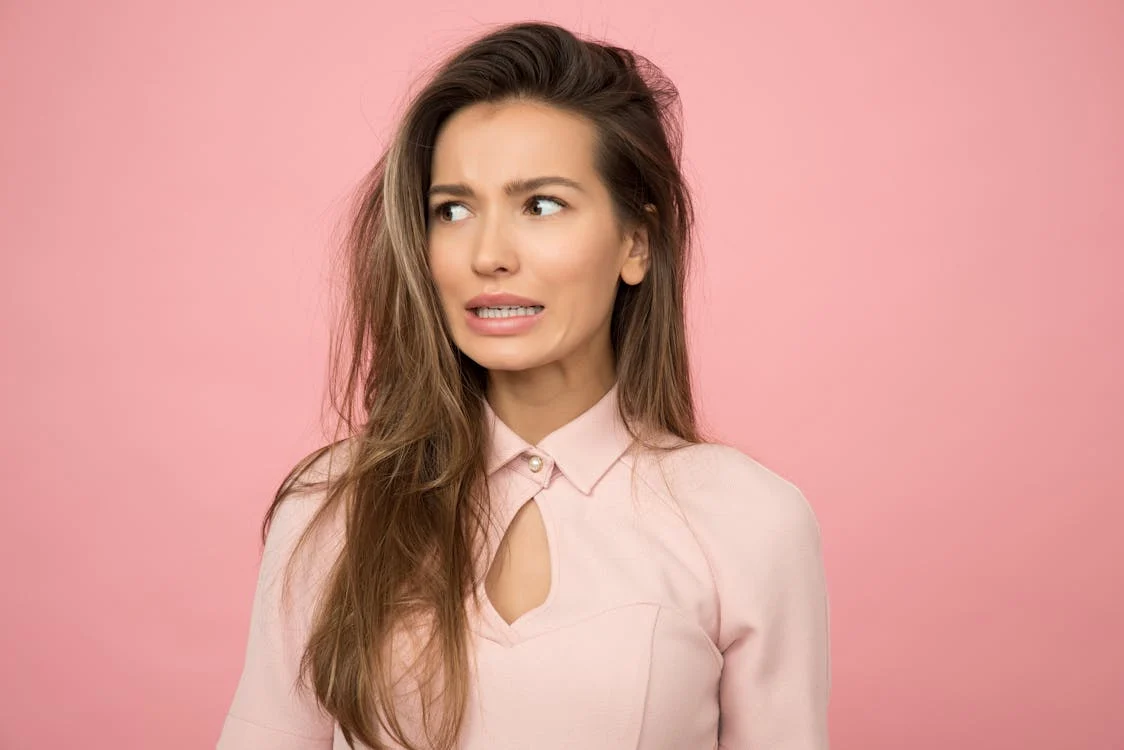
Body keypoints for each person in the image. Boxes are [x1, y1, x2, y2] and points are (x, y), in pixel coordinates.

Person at [216, 20, 830, 750]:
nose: (488, 254)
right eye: (453, 209)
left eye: (540, 205)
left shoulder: (748, 519)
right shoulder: (334, 508)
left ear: (636, 242)